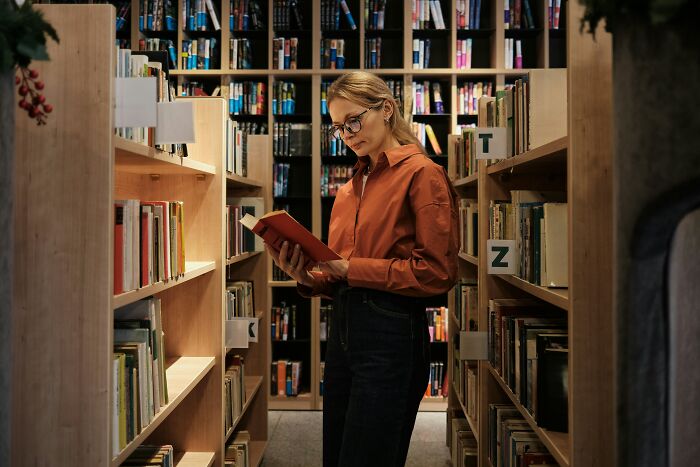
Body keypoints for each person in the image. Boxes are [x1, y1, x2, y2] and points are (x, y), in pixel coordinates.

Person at [265, 71, 459, 467]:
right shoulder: (349, 189)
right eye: (339, 128)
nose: (348, 134)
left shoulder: (422, 174)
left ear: (386, 109)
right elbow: (341, 273)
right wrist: (306, 276)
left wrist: (350, 269)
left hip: (392, 332)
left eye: (354, 120)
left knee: (368, 457)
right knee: (336, 454)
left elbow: (436, 272)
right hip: (344, 330)